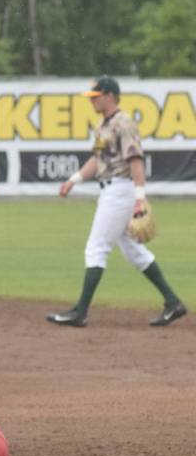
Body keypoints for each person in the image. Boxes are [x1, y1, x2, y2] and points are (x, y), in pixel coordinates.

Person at [47, 76, 187, 327]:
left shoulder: (124, 123)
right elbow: (98, 160)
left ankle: (80, 312)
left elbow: (135, 160)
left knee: (96, 248)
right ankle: (173, 302)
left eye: (96, 97)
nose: (92, 101)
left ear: (109, 96)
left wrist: (140, 198)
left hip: (121, 190)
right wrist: (73, 180)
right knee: (134, 251)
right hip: (111, 190)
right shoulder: (104, 124)